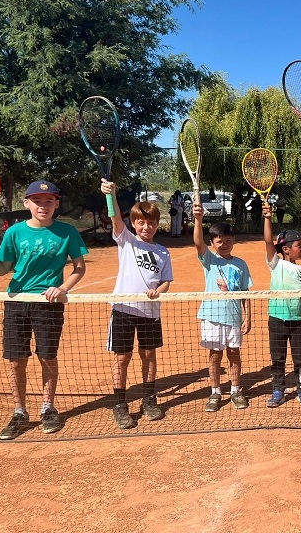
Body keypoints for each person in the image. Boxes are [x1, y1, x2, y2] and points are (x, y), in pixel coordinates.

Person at [0, 180, 88, 440]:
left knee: (47, 357)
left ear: (56, 204)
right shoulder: (15, 233)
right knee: (16, 359)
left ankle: (48, 408)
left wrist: (63, 289)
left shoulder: (67, 232)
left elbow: (79, 268)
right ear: (26, 203)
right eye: (37, 201)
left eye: (49, 201)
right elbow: (4, 268)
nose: (43, 206)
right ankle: (19, 412)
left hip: (49, 304)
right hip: (17, 301)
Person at [100, 179, 172, 429]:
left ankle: (149, 399)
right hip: (123, 310)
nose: (146, 226)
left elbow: (165, 282)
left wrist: (157, 291)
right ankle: (119, 404)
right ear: (134, 224)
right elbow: (115, 218)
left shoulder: (163, 252)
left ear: (156, 224)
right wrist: (112, 195)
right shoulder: (127, 241)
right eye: (141, 222)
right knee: (122, 358)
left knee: (149, 356)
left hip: (150, 312)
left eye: (151, 222)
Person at [192, 202, 252, 412]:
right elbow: (198, 241)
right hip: (212, 316)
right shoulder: (209, 260)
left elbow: (246, 293)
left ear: (234, 241)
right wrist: (198, 220)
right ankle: (215, 392)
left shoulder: (241, 264)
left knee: (234, 354)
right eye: (219, 241)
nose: (224, 244)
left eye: (228, 240)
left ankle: (236, 390)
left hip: (234, 317)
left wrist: (248, 317)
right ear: (213, 243)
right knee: (215, 355)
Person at [263, 203, 301, 407]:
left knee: (300, 359)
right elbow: (268, 242)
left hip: (299, 320)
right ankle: (278, 389)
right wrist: (268, 217)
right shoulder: (276, 264)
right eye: (298, 245)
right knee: (277, 357)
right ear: (285, 249)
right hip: (276, 319)